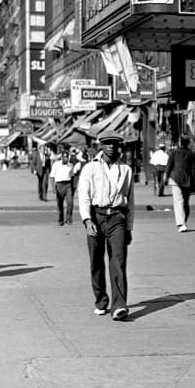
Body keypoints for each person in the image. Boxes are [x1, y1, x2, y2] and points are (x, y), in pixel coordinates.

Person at [78, 133, 135, 321]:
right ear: (100, 146)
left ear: (119, 147)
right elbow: (84, 196)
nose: (111, 147)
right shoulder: (90, 168)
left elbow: (131, 201)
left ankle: (119, 305)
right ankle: (101, 301)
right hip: (96, 216)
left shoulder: (126, 169)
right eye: (107, 143)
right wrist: (87, 220)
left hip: (117, 217)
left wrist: (128, 227)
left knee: (118, 262)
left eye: (115, 144)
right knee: (96, 261)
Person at [165, 136, 195, 232]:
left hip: (175, 178)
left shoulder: (174, 152)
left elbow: (169, 166)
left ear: (180, 142)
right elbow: (193, 170)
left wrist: (166, 178)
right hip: (187, 180)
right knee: (185, 203)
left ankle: (181, 223)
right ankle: (184, 221)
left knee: (178, 201)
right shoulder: (191, 154)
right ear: (188, 143)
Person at [51, 149, 76, 226]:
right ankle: (60, 220)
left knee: (70, 202)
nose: (66, 159)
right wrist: (53, 188)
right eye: (64, 157)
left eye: (67, 157)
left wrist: (73, 187)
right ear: (61, 157)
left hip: (68, 185)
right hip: (59, 185)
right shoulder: (56, 165)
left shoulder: (71, 165)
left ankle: (68, 219)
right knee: (60, 204)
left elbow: (72, 176)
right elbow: (52, 177)